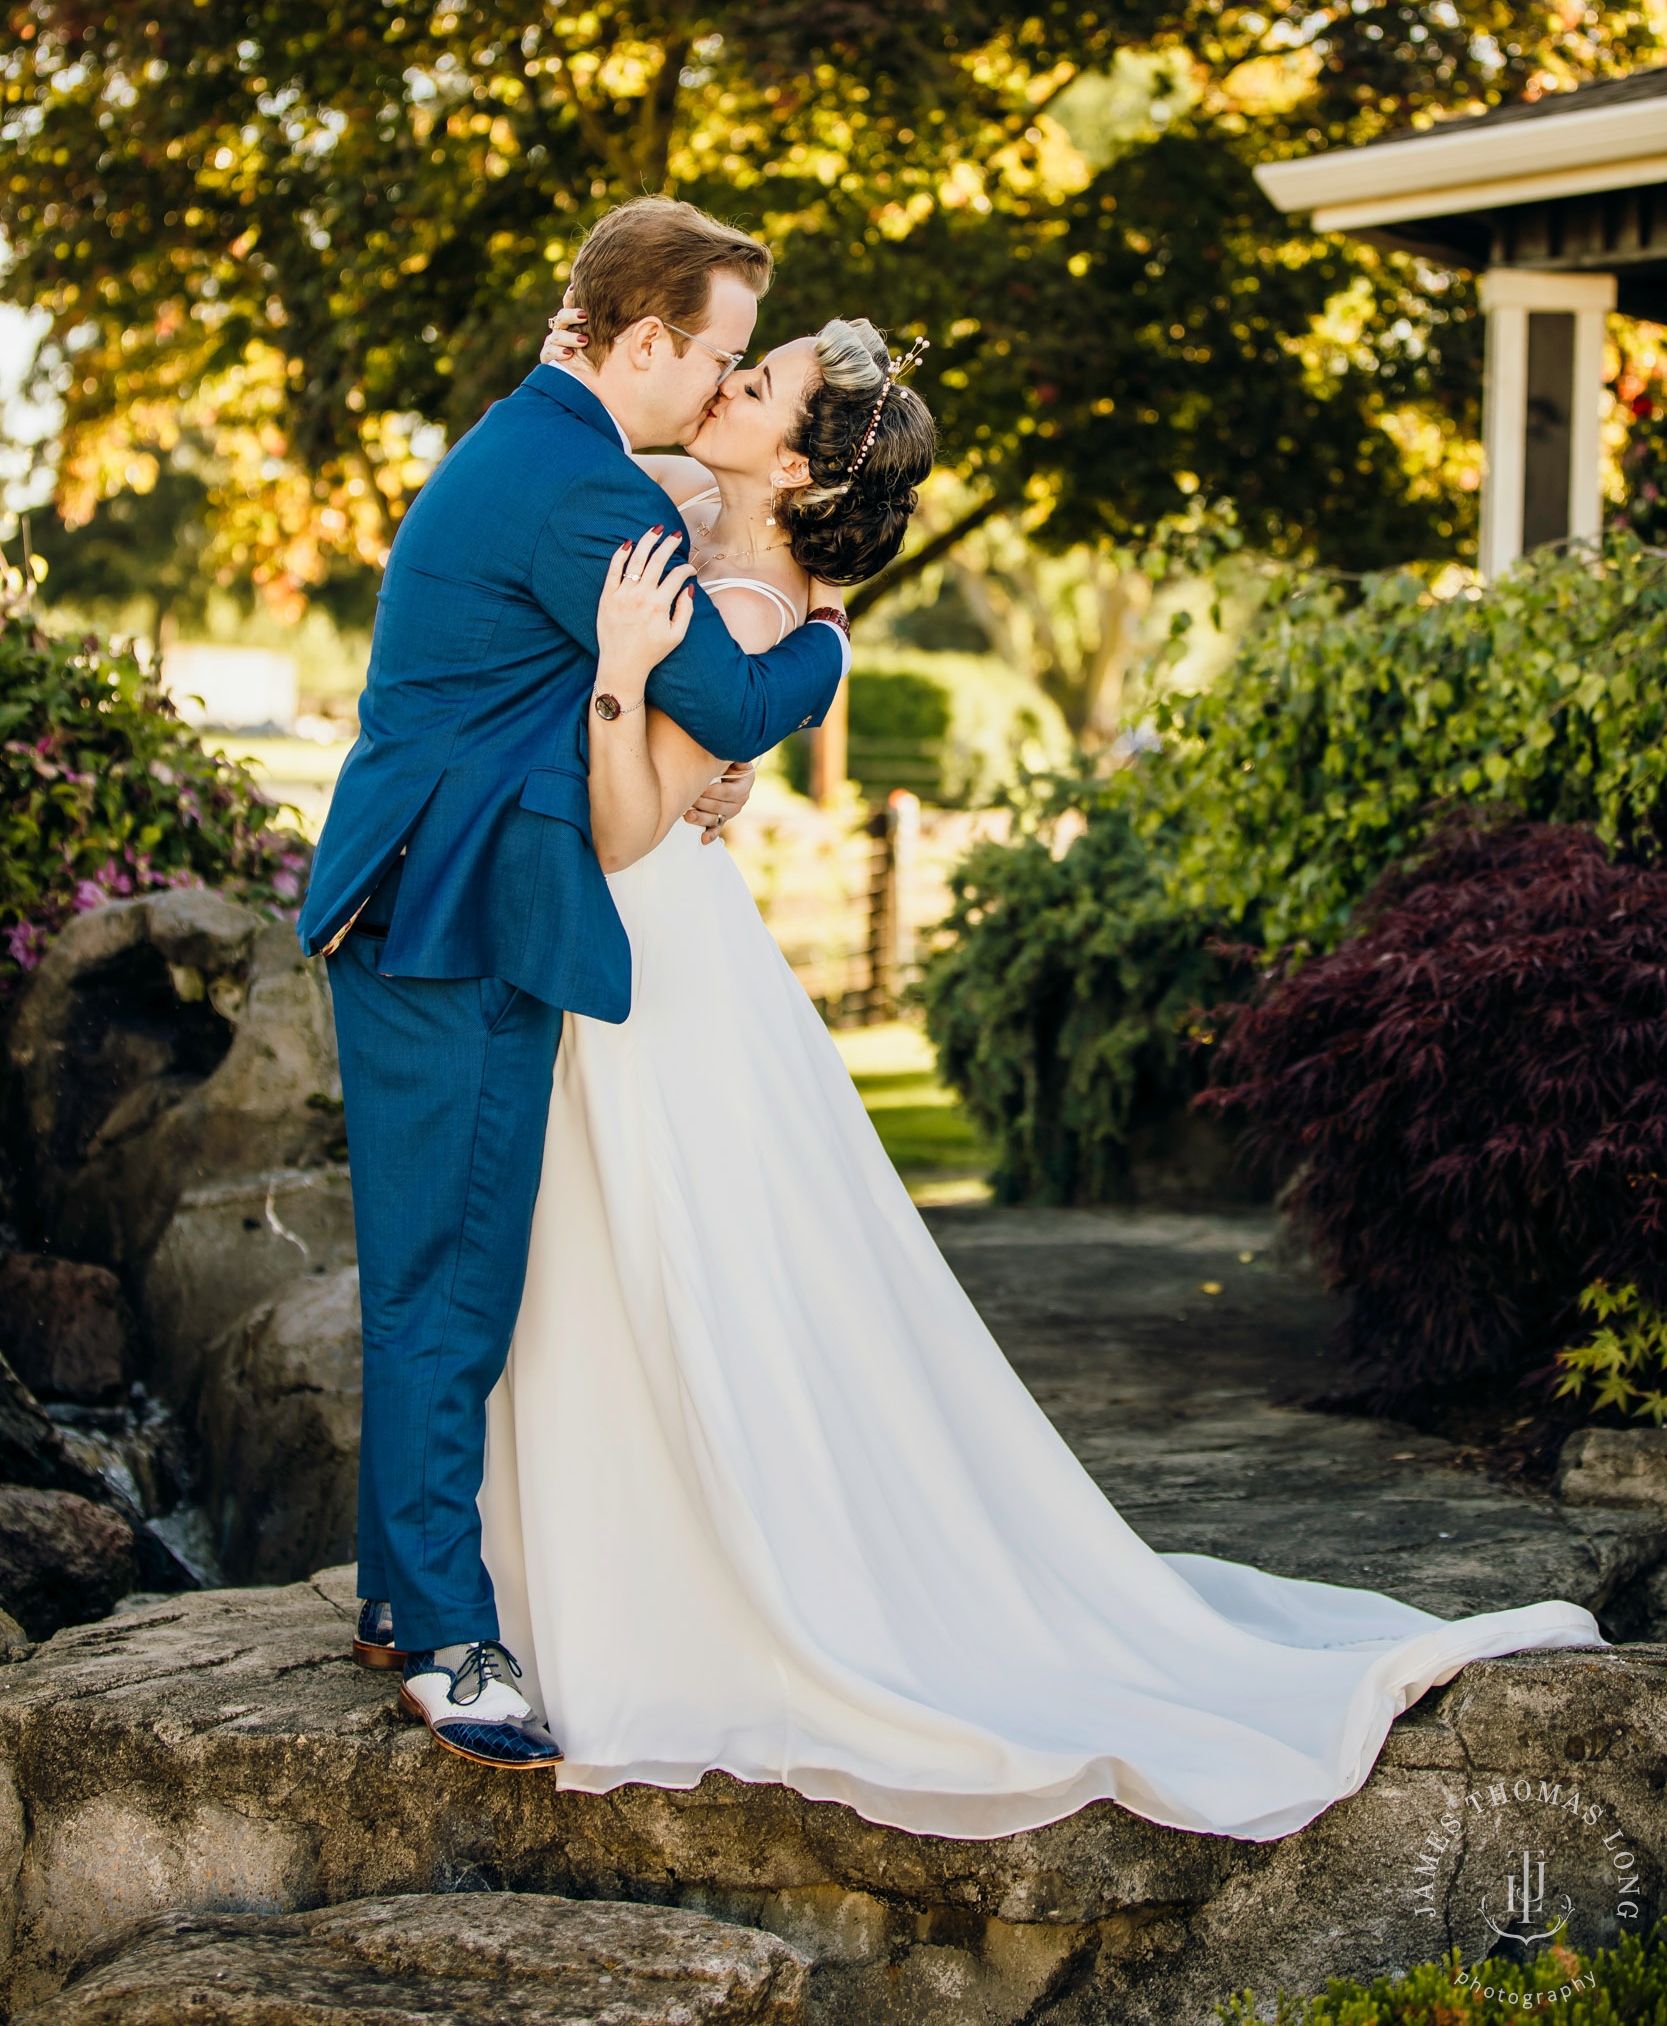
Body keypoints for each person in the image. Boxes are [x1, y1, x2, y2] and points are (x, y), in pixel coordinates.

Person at [471, 307, 1601, 1844]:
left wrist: (615, 682)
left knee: (649, 1276)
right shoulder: (691, 527)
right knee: (673, 1281)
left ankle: (660, 1595)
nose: (728, 383)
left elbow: (623, 830)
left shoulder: (741, 610)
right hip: (678, 959)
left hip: (645, 967)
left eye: (763, 381)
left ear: (797, 467)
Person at [297, 197, 852, 1768]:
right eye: (721, 354)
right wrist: (829, 636)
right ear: (656, 341)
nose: (727, 385)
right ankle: (448, 1644)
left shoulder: (550, 444)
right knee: (449, 1286)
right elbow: (737, 697)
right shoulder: (586, 499)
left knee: (440, 1273)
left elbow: (670, 515)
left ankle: (407, 1597)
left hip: (437, 892)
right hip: (446, 917)